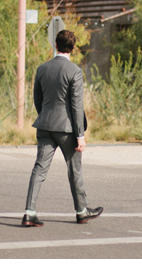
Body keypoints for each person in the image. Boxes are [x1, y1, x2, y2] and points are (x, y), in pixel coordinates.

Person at [22, 30, 103, 227]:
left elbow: (37, 99)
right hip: (67, 129)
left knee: (39, 169)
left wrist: (46, 117)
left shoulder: (42, 69)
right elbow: (76, 106)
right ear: (73, 48)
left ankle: (29, 212)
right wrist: (80, 135)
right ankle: (82, 211)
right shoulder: (74, 71)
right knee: (74, 170)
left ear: (55, 45)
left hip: (45, 125)